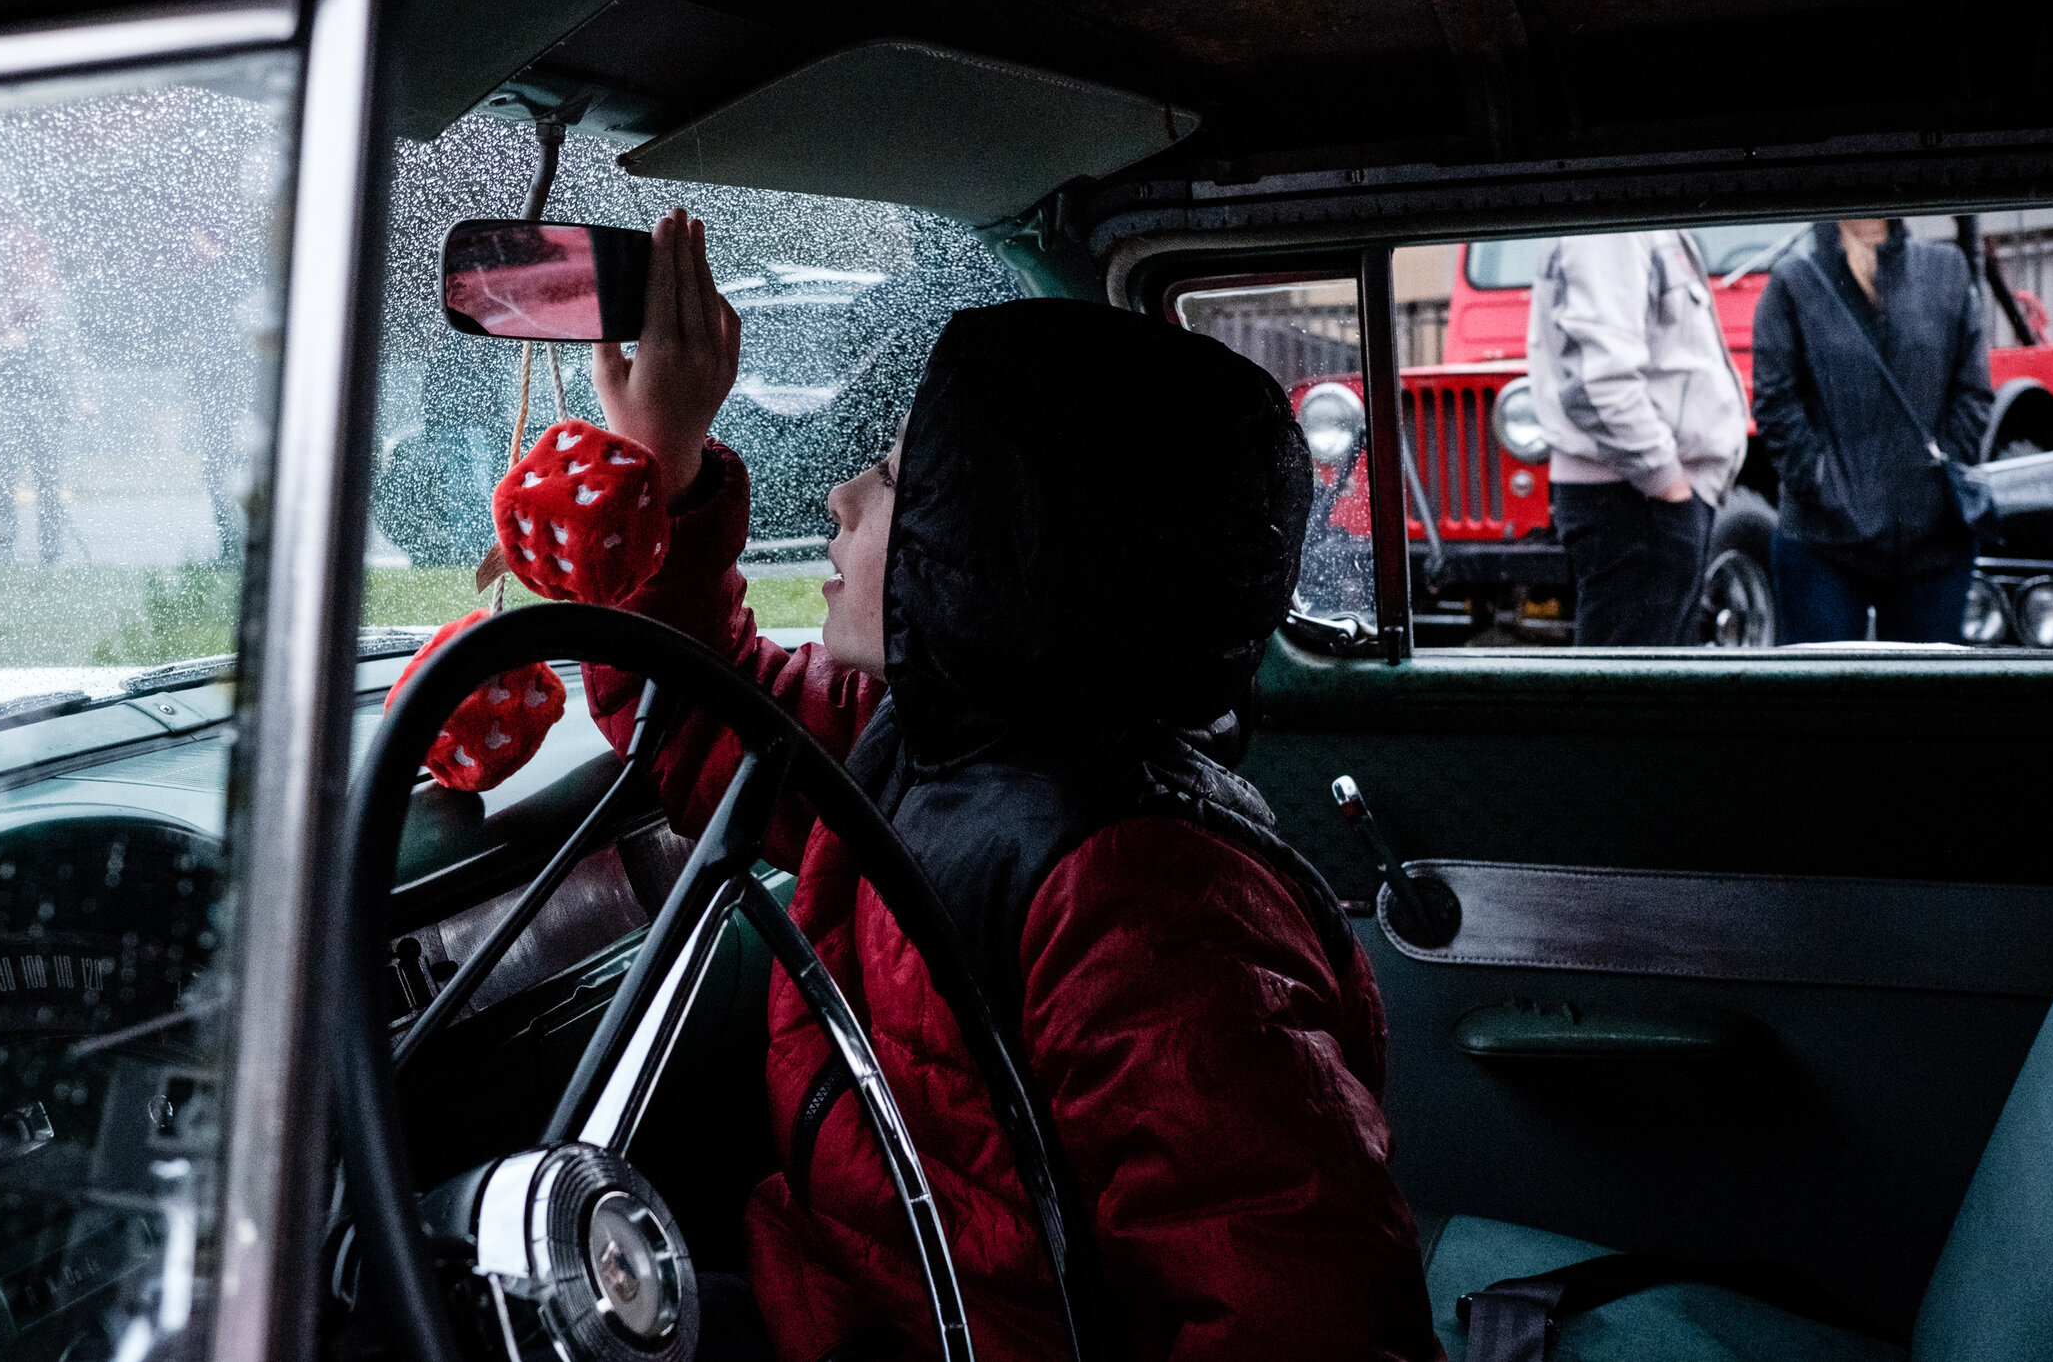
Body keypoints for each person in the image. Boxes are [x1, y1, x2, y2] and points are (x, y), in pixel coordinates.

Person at [584, 209, 1441, 1362]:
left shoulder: (1144, 900)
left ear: (1003, 538)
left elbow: (1300, 1306)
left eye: (894, 474)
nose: (839, 498)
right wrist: (663, 468)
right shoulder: (923, 733)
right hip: (836, 1294)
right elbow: (699, 710)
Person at [1751, 219, 1992, 643]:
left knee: (1925, 699)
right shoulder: (1794, 280)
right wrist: (1821, 483)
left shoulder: (1946, 270)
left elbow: (1973, 393)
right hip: (1821, 545)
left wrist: (1939, 477)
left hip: (1932, 548)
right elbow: (1775, 403)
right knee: (1824, 701)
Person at [1523, 231, 1748, 645]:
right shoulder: (1611, 228)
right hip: (1637, 501)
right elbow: (1597, 382)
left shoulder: (1631, 220)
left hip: (1642, 498)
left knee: (1644, 694)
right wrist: (1667, 483)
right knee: (1630, 699)